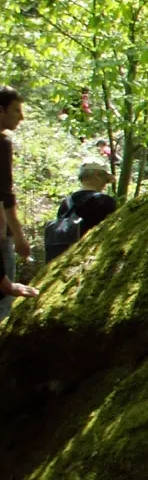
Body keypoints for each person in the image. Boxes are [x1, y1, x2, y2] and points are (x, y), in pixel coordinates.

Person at [0, 86, 38, 319]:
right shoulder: (2, 143)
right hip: (1, 235)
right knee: (4, 302)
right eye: (16, 110)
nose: (21, 117)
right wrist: (20, 237)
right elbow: (5, 196)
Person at [60, 161, 118, 238]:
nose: (105, 184)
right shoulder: (104, 201)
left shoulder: (66, 202)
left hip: (65, 249)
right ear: (97, 176)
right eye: (106, 180)